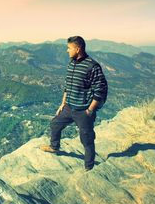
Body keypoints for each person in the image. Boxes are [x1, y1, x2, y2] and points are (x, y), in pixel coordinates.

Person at [40, 36, 108, 171]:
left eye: (69, 48)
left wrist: (90, 110)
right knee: (55, 124)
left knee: (87, 140)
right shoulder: (72, 63)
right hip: (69, 107)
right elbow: (68, 86)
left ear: (78, 49)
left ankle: (89, 169)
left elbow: (100, 89)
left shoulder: (92, 66)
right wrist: (62, 104)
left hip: (83, 111)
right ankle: (54, 147)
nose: (67, 51)